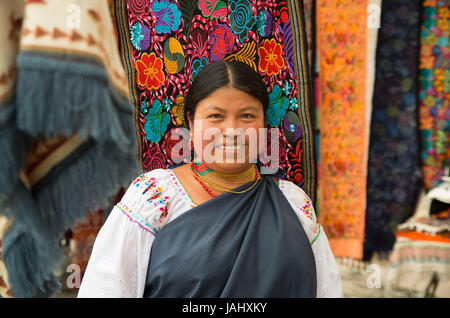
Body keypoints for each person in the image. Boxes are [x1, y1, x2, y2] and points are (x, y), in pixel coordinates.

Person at [77, 61, 343, 297]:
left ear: (264, 125)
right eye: (216, 116)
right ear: (191, 124)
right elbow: (106, 288)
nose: (232, 131)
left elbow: (327, 289)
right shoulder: (153, 200)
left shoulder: (294, 204)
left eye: (247, 116)